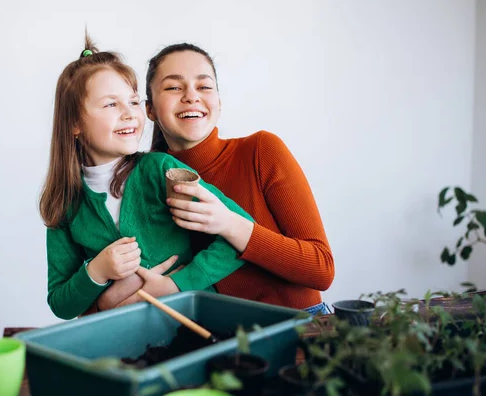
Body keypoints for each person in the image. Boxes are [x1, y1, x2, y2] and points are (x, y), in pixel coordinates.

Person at [100, 43, 334, 315]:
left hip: (301, 328)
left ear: (219, 103)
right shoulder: (142, 182)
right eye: (174, 87)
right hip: (213, 337)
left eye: (204, 86)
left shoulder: (261, 150)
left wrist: (229, 224)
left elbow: (322, 269)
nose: (191, 96)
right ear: (149, 109)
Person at [39, 35, 253, 320]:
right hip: (124, 344)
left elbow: (238, 232)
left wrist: (177, 284)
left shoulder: (159, 170)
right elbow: (60, 304)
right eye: (111, 105)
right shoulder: (65, 203)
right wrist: (97, 271)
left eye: (133, 101)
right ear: (75, 123)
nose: (130, 114)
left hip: (193, 326)